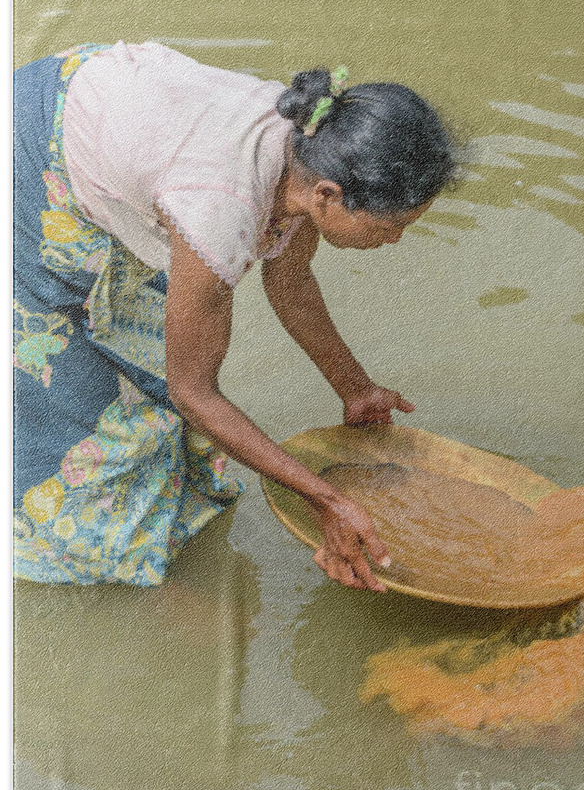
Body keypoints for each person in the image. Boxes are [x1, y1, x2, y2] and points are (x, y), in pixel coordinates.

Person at [13, 41, 456, 591]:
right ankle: (77, 542)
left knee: (150, 360)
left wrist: (356, 387)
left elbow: (289, 282)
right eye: (389, 227)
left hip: (109, 115)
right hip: (31, 159)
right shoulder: (220, 209)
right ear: (327, 196)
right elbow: (192, 391)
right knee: (66, 391)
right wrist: (326, 499)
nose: (393, 241)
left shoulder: (308, 150)